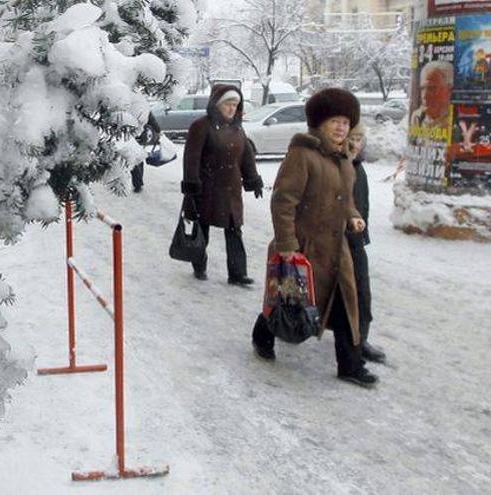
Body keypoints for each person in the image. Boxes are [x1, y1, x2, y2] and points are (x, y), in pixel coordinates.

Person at [251, 87, 379, 388]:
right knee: (290, 302)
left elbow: (344, 199)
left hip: (338, 249)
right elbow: (283, 202)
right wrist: (286, 246)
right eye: (335, 121)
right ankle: (263, 333)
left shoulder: (344, 159)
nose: (341, 128)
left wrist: (352, 215)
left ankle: (350, 364)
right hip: (303, 248)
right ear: (320, 123)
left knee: (348, 304)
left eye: (346, 123)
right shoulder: (302, 155)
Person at [181, 84, 264, 286]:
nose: (231, 108)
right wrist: (192, 185)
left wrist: (253, 180)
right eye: (228, 103)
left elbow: (246, 158)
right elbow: (191, 157)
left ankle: (237, 273)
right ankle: (199, 265)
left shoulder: (237, 129)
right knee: (202, 229)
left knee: (235, 230)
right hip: (207, 189)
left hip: (230, 189)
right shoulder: (201, 126)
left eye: (235, 104)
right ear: (217, 104)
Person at [346, 122, 386, 364]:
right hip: (331, 241)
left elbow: (362, 205)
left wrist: (362, 233)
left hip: (355, 241)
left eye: (359, 138)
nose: (355, 143)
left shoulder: (358, 168)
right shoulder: (337, 166)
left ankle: (360, 340)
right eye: (352, 138)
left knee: (361, 293)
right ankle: (275, 326)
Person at [410, 61, 453, 129]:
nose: (424, 96)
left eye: (432, 88)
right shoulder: (417, 117)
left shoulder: (456, 122)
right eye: (422, 88)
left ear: (449, 90)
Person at [132, 113, 161, 193]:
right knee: (138, 158)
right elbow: (151, 119)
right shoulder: (142, 105)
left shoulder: (127, 104)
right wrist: (158, 130)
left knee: (135, 159)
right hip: (141, 135)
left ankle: (138, 183)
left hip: (133, 135)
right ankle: (138, 182)